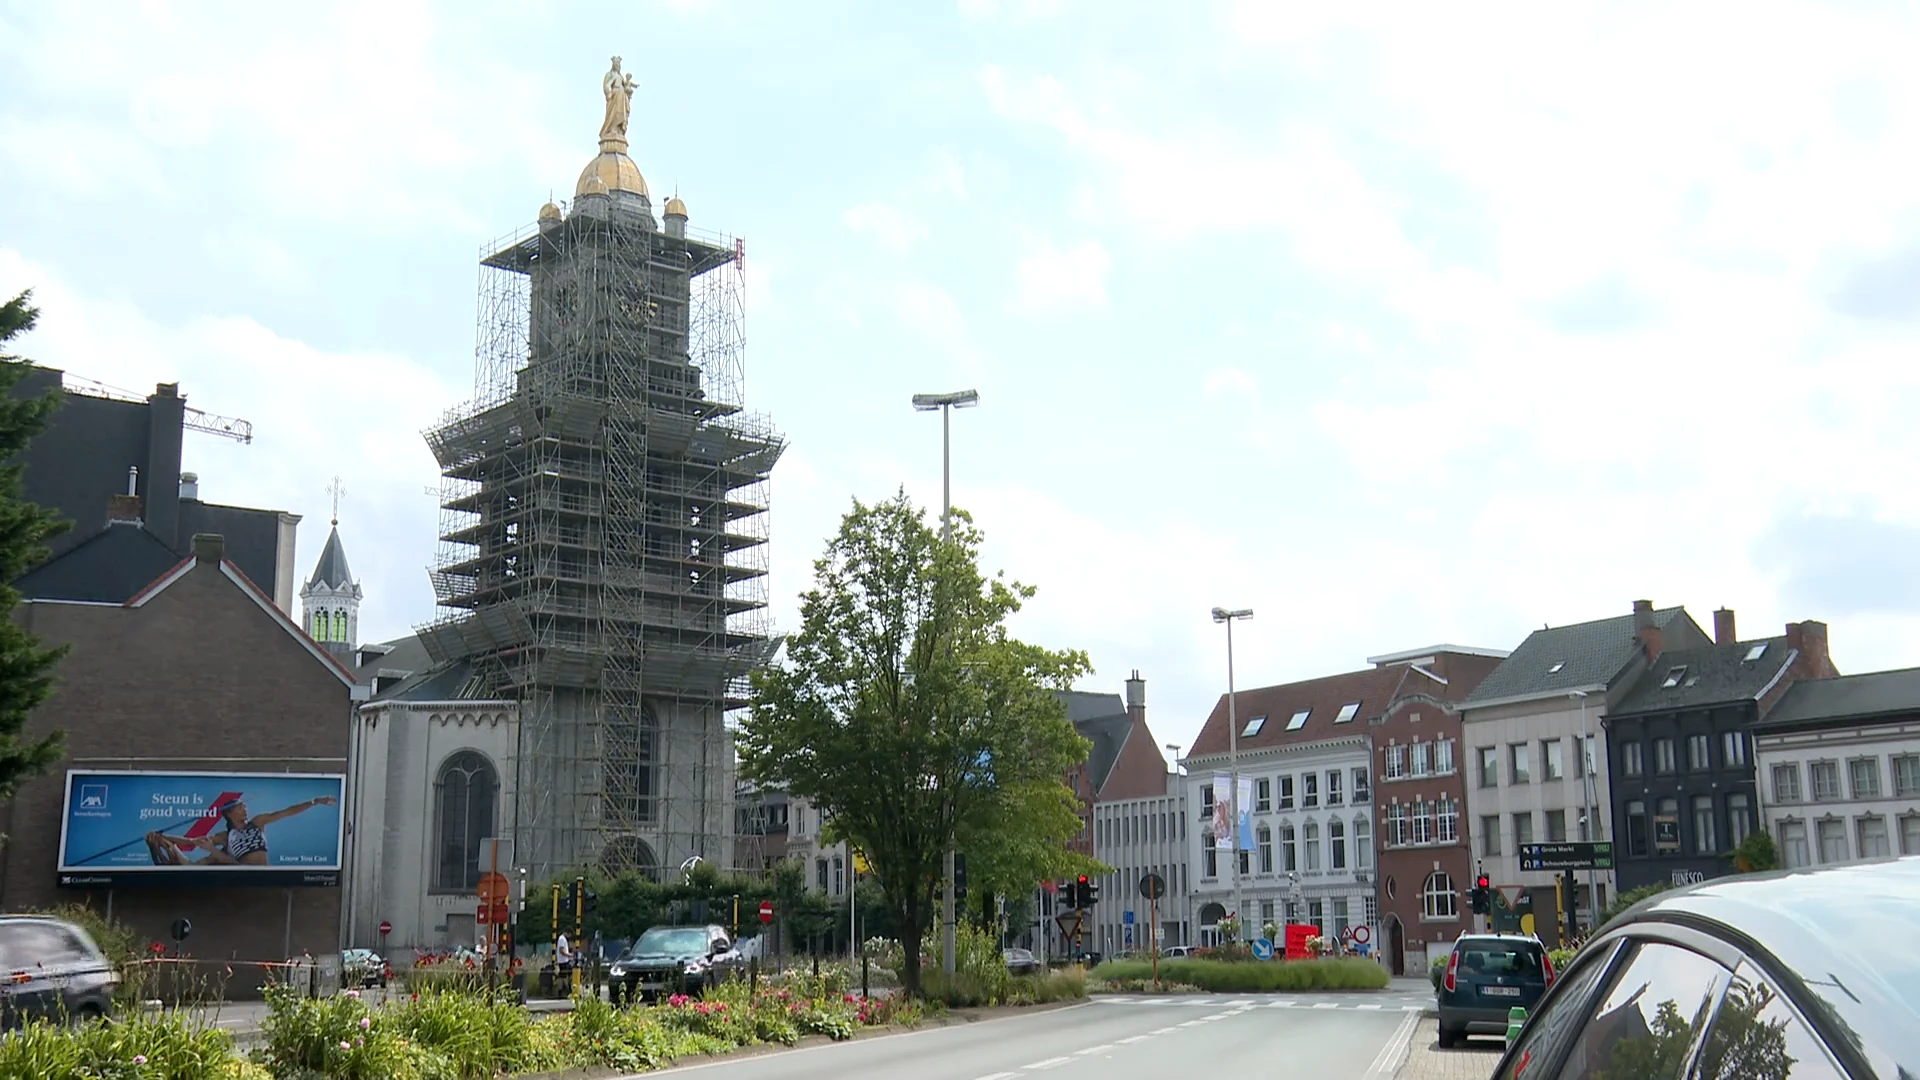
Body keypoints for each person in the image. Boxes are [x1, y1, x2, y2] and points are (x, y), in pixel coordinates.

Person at [144, 794, 337, 866]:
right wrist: (164, 836)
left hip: (263, 870)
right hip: (242, 867)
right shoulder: (227, 836)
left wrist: (314, 802)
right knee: (212, 855)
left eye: (245, 806)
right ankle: (163, 848)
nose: (245, 809)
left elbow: (286, 812)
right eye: (240, 807)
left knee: (212, 856)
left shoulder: (257, 822)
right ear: (229, 813)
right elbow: (192, 841)